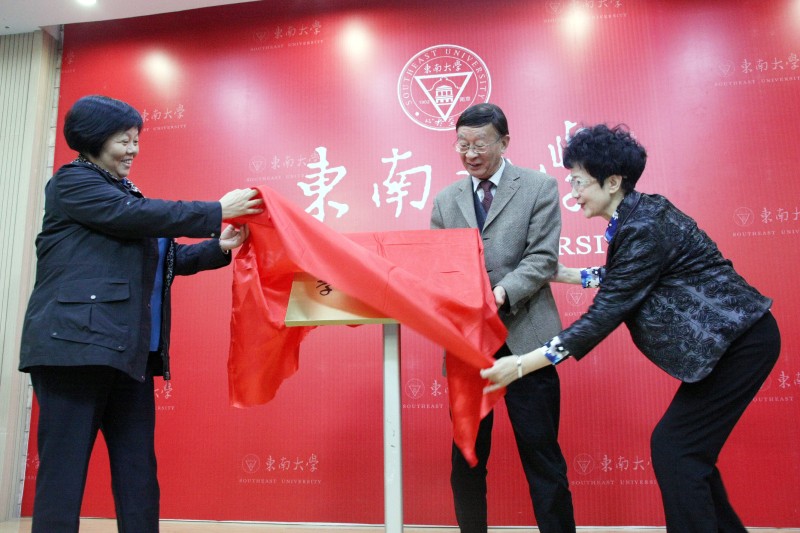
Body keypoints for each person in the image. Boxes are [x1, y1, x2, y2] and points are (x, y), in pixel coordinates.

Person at [481, 124, 781, 532]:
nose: (573, 193)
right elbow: (633, 274)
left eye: (579, 182)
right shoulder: (639, 216)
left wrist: (520, 364)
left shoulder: (643, 226)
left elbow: (604, 314)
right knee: (686, 452)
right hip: (732, 343)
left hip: (740, 343)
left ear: (613, 182)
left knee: (677, 449)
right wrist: (571, 275)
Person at [18, 95, 264, 533]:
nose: (133, 149)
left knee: (138, 473)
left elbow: (163, 261)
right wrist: (216, 210)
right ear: (94, 139)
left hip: (126, 353)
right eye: (124, 140)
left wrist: (218, 247)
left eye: (136, 139)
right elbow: (134, 217)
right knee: (63, 473)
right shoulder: (73, 183)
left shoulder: (126, 194)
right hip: (73, 349)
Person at [431, 103, 576, 533]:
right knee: (468, 456)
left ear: (504, 142)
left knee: (541, 454)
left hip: (526, 340)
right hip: (469, 344)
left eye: (480, 144)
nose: (470, 153)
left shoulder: (538, 186)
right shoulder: (446, 200)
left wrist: (501, 292)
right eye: (462, 144)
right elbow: (440, 262)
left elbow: (542, 258)